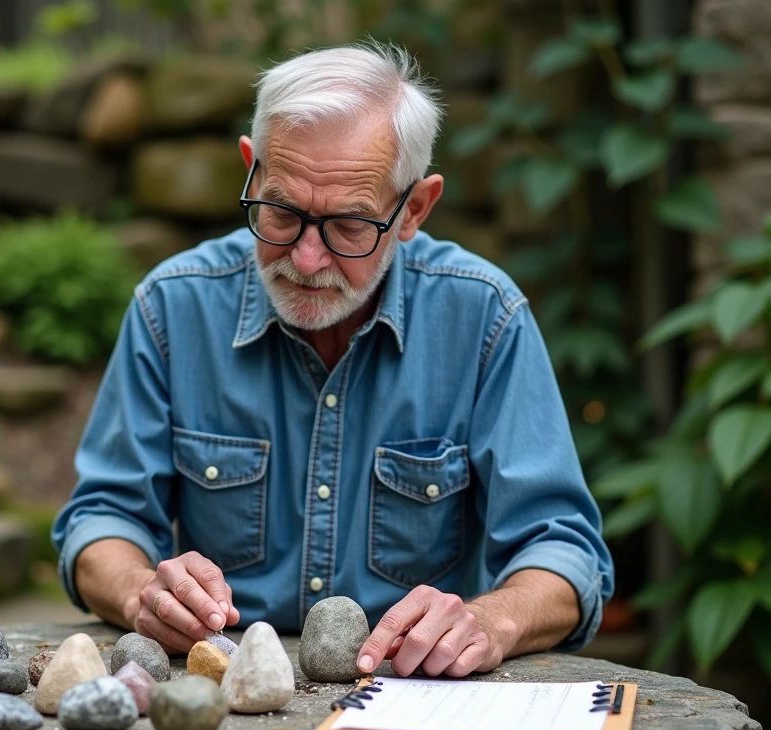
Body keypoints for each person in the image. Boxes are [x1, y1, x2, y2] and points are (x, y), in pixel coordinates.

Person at [52, 42, 614, 678]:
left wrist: (489, 620)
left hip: (409, 695)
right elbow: (102, 518)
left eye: (349, 225)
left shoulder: (483, 316)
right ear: (252, 170)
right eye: (283, 212)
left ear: (414, 210)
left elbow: (562, 551)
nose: (307, 259)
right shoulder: (173, 307)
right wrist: (138, 590)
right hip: (220, 688)